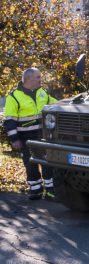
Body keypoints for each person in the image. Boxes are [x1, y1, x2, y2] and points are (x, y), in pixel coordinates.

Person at [3, 67, 58, 200]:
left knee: (47, 163)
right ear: (28, 79)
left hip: (42, 136)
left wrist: (71, 103)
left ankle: (51, 192)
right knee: (30, 164)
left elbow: (57, 104)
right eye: (38, 77)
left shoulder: (42, 93)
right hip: (25, 139)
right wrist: (14, 139)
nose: (41, 79)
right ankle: (35, 191)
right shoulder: (14, 97)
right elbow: (9, 121)